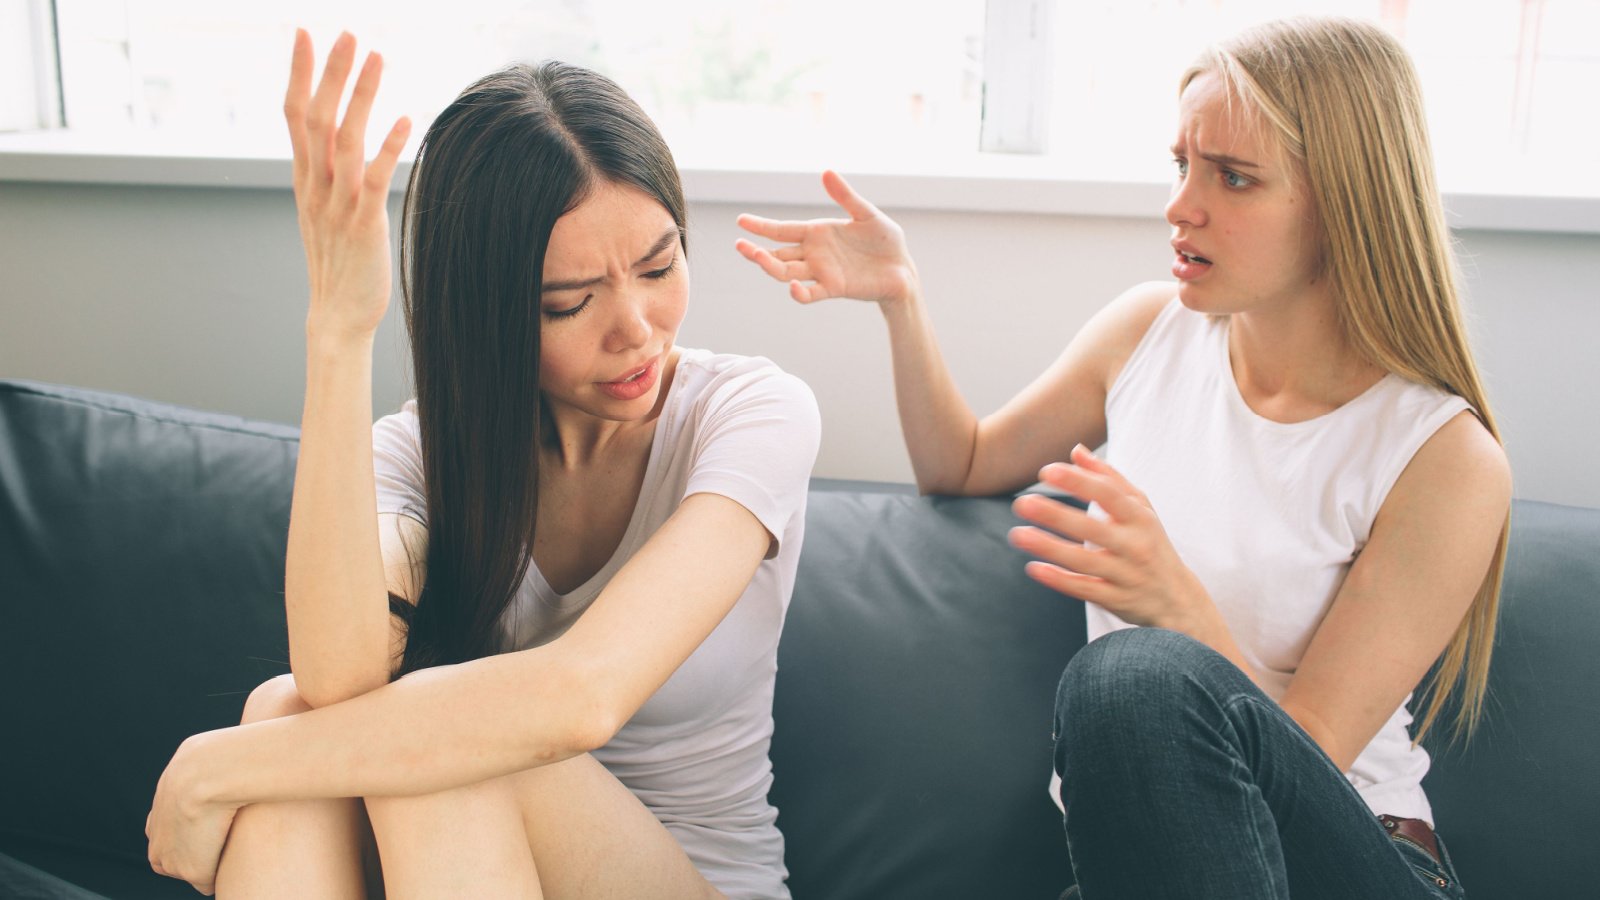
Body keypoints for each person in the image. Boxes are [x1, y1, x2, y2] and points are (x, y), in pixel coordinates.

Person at [735, 15, 1506, 900]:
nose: (1182, 205)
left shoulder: (1443, 458)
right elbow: (964, 462)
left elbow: (1310, 760)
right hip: (1148, 866)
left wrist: (1176, 608)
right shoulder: (1149, 335)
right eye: (1181, 165)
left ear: (1345, 201)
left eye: (1234, 177)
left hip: (1352, 857)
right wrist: (901, 300)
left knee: (1131, 672)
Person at [145, 29, 819, 899]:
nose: (636, 328)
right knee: (295, 710)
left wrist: (217, 767)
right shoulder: (428, 450)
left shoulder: (753, 414)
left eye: (659, 266)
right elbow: (337, 678)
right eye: (568, 303)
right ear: (489, 312)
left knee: (447, 753)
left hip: (694, 882)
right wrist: (339, 329)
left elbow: (583, 698)